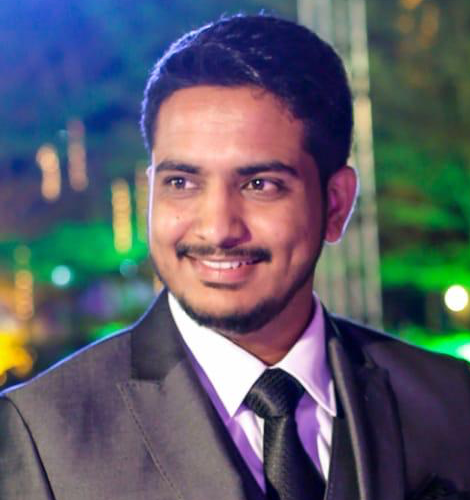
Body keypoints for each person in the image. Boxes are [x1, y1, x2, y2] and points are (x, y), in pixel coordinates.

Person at [1, 14, 470, 500]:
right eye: (181, 182)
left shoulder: (451, 403)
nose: (218, 229)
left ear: (335, 205)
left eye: (259, 184)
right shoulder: (43, 436)